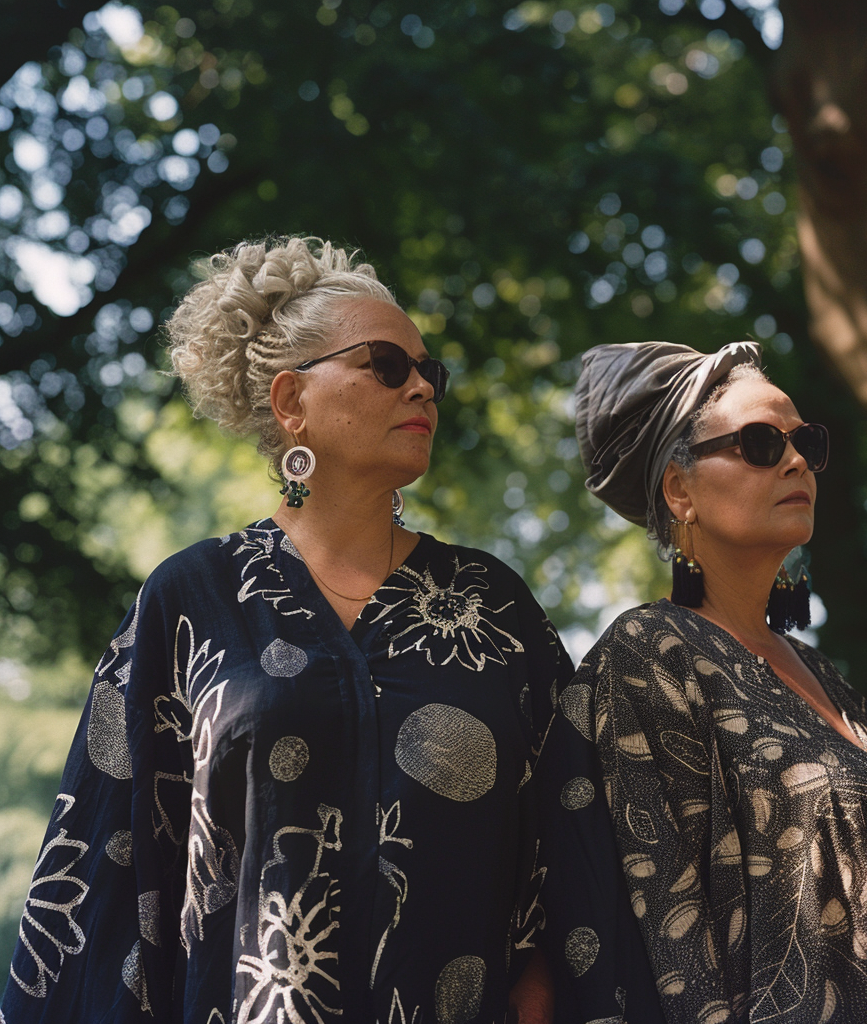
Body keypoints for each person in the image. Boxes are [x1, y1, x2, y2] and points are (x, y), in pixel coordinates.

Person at [2, 236, 623, 1024]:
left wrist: (540, 993)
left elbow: (574, 833)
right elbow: (109, 864)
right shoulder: (192, 597)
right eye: (388, 366)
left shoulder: (494, 606)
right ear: (292, 400)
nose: (424, 390)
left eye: (432, 372)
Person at [558, 339, 867, 1023]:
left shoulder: (823, 675)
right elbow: (669, 943)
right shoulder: (651, 654)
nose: (796, 460)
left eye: (807, 442)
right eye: (761, 443)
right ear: (681, 490)